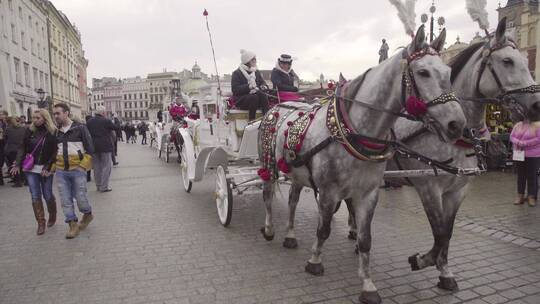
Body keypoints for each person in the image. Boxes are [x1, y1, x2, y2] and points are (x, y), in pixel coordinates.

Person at [11, 109, 58, 235]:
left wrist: (48, 167)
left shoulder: (52, 132)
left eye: (38, 117)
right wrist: (17, 163)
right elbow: (22, 147)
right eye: (33, 117)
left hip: (45, 169)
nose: (35, 120)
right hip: (31, 168)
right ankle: (41, 223)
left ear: (45, 118)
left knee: (47, 194)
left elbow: (55, 151)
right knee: (35, 195)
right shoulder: (29, 131)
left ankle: (52, 214)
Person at [52, 103, 94, 239]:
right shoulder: (56, 131)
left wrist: (83, 166)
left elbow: (90, 149)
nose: (55, 116)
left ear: (67, 113)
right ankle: (72, 224)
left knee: (81, 198)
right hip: (61, 171)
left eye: (58, 113)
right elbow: (54, 151)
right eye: (54, 114)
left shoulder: (80, 128)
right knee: (65, 199)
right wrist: (53, 167)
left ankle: (87, 214)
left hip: (77, 169)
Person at [231, 49, 269, 121]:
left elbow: (263, 83)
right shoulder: (236, 73)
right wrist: (249, 86)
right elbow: (235, 90)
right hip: (241, 99)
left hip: (256, 98)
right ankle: (251, 120)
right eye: (253, 60)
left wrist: (263, 86)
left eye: (255, 59)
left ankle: (266, 118)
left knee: (263, 95)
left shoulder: (256, 72)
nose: (255, 61)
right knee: (253, 97)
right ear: (247, 61)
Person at [86, 106, 117, 192]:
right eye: (105, 112)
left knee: (96, 167)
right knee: (106, 166)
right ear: (103, 113)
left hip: (94, 146)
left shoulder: (89, 121)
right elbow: (116, 127)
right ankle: (104, 187)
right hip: (105, 146)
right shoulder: (106, 121)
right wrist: (114, 119)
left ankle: (98, 186)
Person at [510, 119, 540, 207]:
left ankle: (531, 196)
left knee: (532, 176)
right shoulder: (518, 125)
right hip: (519, 154)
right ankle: (520, 195)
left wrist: (525, 143)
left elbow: (538, 139)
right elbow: (511, 137)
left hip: (533, 155)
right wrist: (518, 142)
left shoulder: (537, 125)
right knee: (520, 176)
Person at [4, 117, 26, 187]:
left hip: (11, 149)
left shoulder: (8, 129)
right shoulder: (23, 128)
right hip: (21, 148)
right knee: (21, 164)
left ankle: (17, 181)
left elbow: (5, 139)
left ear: (8, 122)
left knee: (13, 165)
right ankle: (23, 179)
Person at [0, 110, 8, 185]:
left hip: (6, 144)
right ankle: (1, 180)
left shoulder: (6, 123)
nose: (0, 115)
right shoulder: (1, 123)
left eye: (1, 114)